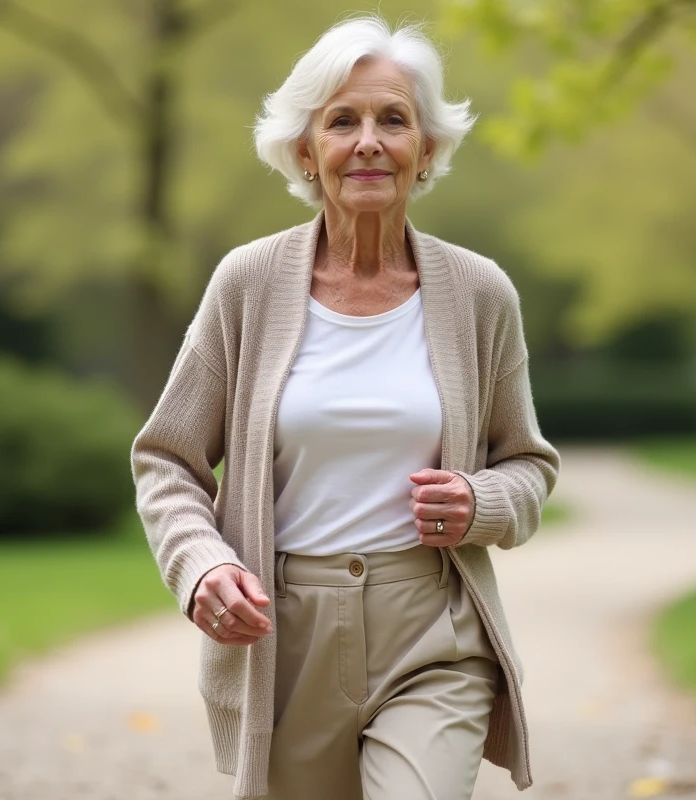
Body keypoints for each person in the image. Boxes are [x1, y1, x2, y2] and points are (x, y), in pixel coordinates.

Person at [131, 15, 560, 800]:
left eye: (393, 119)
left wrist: (482, 502)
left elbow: (528, 463)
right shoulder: (247, 284)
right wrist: (202, 565)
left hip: (433, 631)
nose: (368, 142)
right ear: (305, 150)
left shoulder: (480, 294)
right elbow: (167, 459)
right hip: (284, 636)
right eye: (342, 122)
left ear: (426, 149)